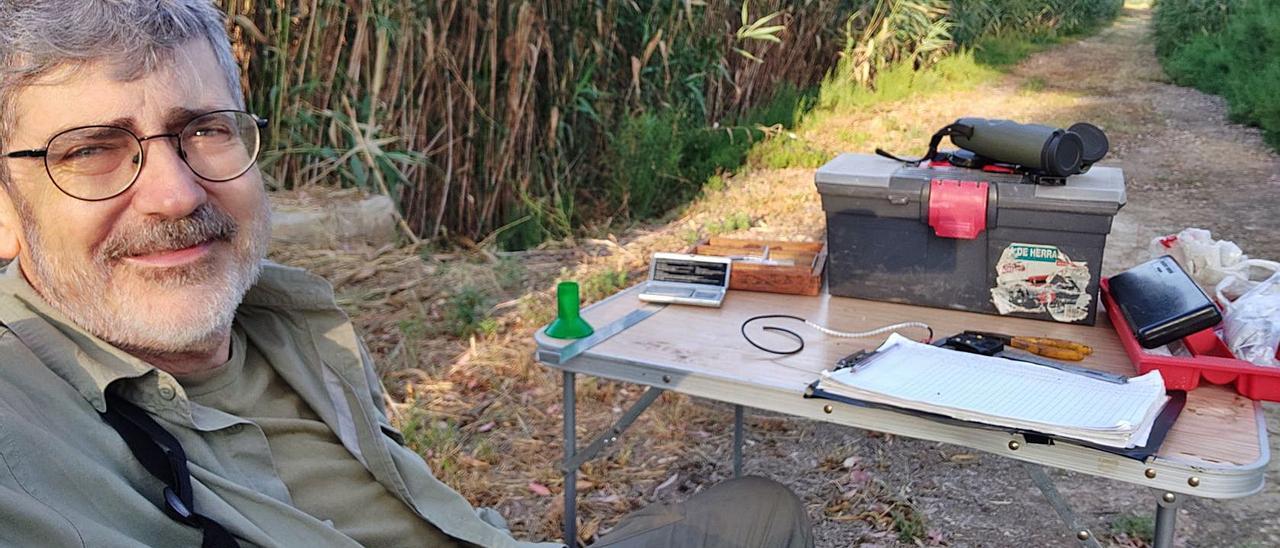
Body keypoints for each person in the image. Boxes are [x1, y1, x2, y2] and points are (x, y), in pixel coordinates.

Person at [0, 1, 814, 547]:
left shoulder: (287, 317)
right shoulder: (28, 417)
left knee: (764, 509)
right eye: (91, 150)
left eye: (204, 130)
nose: (176, 191)